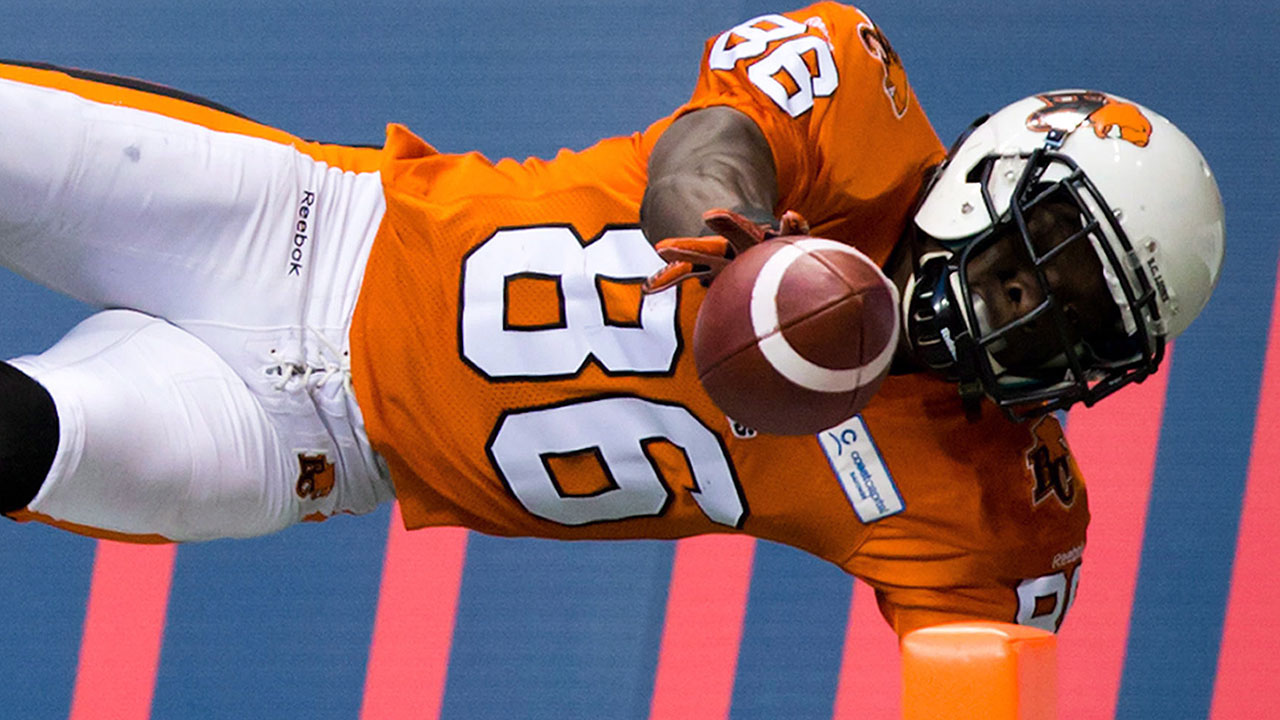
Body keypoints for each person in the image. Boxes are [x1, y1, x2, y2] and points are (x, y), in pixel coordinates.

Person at [0, 2, 1223, 637]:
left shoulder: (992, 517)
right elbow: (708, 144)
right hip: (302, 224)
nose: (1025, 324)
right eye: (1033, 270)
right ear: (985, 182)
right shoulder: (858, 123)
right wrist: (734, 231)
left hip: (302, 443)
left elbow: (974, 679)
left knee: (22, 436)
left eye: (1075, 329)